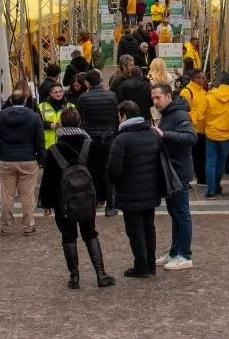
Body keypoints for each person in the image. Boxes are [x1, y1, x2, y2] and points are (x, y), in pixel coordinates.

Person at [41, 107, 116, 289]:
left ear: (61, 125)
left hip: (63, 200)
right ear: (79, 122)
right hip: (87, 198)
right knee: (90, 233)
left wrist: (46, 203)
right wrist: (102, 197)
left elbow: (48, 180)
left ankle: (74, 277)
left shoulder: (53, 151)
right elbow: (99, 174)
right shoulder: (89, 145)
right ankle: (100, 273)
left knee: (68, 237)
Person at [106, 99, 161, 279]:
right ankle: (151, 263)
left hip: (130, 192)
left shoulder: (122, 139)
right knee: (148, 227)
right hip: (151, 189)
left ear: (123, 116)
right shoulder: (152, 134)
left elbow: (114, 169)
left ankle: (141, 265)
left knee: (135, 230)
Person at [151, 82, 197, 270]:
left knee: (181, 213)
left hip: (179, 172)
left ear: (168, 96)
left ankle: (184, 254)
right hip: (171, 171)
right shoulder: (168, 114)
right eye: (153, 98)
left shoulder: (179, 115)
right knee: (175, 213)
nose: (155, 102)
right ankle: (175, 251)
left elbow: (190, 138)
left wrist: (164, 134)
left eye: (158, 98)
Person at [0, 88, 46, 235]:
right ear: (25, 99)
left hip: (6, 159)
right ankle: (28, 225)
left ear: (10, 100)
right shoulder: (34, 117)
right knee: (27, 195)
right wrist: (41, 159)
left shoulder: (0, 117)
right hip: (28, 158)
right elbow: (40, 141)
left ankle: (5, 225)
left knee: (7, 195)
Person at [76, 68, 120, 216]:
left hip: (90, 138)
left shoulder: (83, 98)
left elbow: (80, 116)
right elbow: (115, 116)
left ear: (87, 83)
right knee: (107, 171)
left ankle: (93, 203)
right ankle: (111, 206)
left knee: (91, 171)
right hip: (108, 137)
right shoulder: (111, 96)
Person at [202, 72, 229, 199]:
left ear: (220, 83)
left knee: (210, 161)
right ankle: (217, 186)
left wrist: (203, 129)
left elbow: (202, 115)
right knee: (221, 162)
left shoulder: (210, 96)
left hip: (211, 133)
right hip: (227, 135)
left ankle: (211, 191)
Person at [181, 70, 209, 184]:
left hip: (203, 129)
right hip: (192, 128)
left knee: (200, 156)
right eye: (200, 78)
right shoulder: (186, 92)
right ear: (194, 78)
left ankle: (201, 177)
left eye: (204, 77)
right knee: (190, 155)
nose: (203, 80)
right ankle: (186, 179)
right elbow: (184, 110)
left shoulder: (203, 91)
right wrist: (194, 119)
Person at [114, 56, 153, 121]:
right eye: (131, 65)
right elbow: (115, 101)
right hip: (127, 117)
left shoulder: (141, 81)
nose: (133, 67)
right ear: (124, 66)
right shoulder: (117, 81)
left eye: (133, 65)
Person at [40, 82, 68, 150]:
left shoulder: (70, 106)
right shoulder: (41, 106)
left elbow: (75, 124)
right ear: (51, 93)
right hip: (47, 146)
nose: (58, 94)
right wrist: (48, 124)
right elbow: (37, 122)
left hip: (65, 145)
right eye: (56, 92)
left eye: (60, 91)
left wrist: (62, 124)